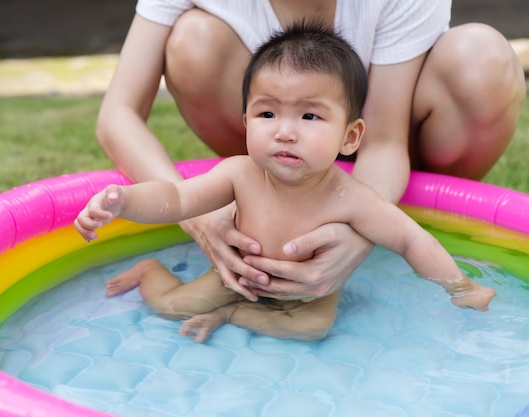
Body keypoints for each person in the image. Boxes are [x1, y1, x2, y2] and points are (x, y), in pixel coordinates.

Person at [75, 23, 496, 343]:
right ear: (245, 123)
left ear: (350, 137)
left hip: (313, 290)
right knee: (172, 307)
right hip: (237, 276)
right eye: (267, 114)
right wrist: (124, 201)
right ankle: (150, 272)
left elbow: (411, 241)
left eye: (309, 116)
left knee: (313, 328)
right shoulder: (239, 174)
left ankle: (229, 316)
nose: (285, 132)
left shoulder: (352, 198)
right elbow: (176, 197)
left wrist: (461, 288)